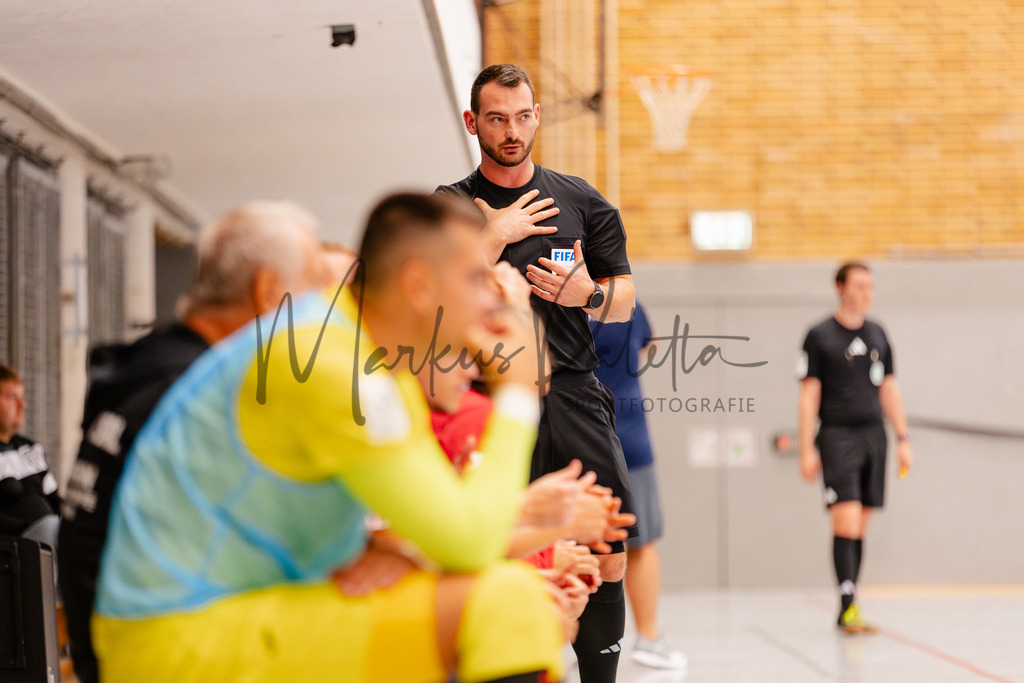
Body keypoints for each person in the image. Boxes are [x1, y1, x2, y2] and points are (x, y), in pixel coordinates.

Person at [90, 194, 566, 683]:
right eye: (474, 278)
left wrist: (402, 553)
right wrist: (518, 396)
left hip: (243, 613)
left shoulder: (372, 361)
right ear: (418, 286)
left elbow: (444, 525)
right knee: (505, 603)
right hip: (179, 639)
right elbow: (470, 542)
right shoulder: (329, 363)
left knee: (501, 597)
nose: (491, 299)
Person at [438, 63, 636, 682]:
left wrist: (584, 293)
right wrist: (491, 235)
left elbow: (622, 299)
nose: (512, 130)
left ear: (538, 116)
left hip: (575, 393)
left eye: (523, 116)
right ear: (474, 123)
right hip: (492, 399)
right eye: (497, 119)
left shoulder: (579, 198)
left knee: (605, 547)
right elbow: (433, 297)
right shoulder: (448, 206)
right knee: (504, 544)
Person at [797, 261, 914, 633]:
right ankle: (847, 604)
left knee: (860, 525)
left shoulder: (878, 333)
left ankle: (851, 602)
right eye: (859, 285)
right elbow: (809, 393)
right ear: (840, 287)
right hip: (836, 436)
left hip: (873, 436)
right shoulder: (819, 335)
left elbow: (889, 387)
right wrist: (806, 447)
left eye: (870, 286)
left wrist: (903, 437)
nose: (866, 292)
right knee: (844, 518)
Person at [590, 302, 687, 669]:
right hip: (627, 433)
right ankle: (647, 638)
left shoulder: (556, 296)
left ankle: (576, 643)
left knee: (579, 541)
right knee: (640, 542)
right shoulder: (625, 301)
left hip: (582, 433)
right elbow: (650, 344)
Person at [0, 364, 60, 556]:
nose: (22, 405)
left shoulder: (32, 449)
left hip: (43, 543)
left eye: (22, 397)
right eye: (12, 397)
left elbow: (56, 501)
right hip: (12, 552)